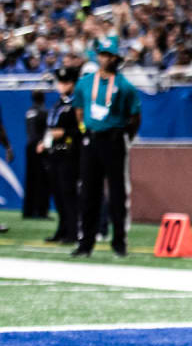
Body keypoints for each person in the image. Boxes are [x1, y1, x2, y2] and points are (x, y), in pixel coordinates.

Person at [71, 38, 140, 257]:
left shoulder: (124, 86)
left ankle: (119, 242)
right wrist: (85, 129)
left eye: (109, 55)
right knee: (88, 193)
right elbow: (79, 109)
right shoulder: (85, 83)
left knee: (118, 193)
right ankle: (85, 243)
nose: (105, 59)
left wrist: (124, 135)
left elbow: (135, 116)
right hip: (91, 139)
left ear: (116, 59)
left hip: (114, 139)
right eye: (102, 54)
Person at [40, 67, 81, 244]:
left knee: (68, 193)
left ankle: (73, 232)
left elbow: (82, 129)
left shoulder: (76, 105)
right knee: (57, 193)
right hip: (54, 152)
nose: (62, 85)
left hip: (69, 152)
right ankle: (62, 229)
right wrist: (45, 141)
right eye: (60, 82)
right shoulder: (58, 104)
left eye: (66, 82)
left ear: (72, 84)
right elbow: (51, 128)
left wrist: (64, 132)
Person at [23, 90, 50, 218]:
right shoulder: (44, 112)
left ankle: (28, 211)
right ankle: (41, 211)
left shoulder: (29, 112)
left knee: (30, 179)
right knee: (43, 180)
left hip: (29, 147)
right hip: (40, 147)